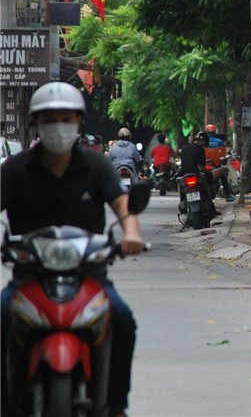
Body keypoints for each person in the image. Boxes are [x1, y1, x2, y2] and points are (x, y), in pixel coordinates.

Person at [0, 82, 145, 417]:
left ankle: (117, 405)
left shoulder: (96, 166)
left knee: (122, 320)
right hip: (30, 278)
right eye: (50, 119)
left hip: (89, 276)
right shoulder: (16, 169)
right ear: (35, 123)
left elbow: (123, 206)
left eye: (66, 118)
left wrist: (132, 235)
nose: (58, 125)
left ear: (79, 121)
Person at [204, 124, 235, 202]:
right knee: (223, 176)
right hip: (215, 165)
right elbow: (223, 154)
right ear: (214, 132)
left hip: (203, 165)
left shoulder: (203, 141)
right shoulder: (219, 142)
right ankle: (227, 195)